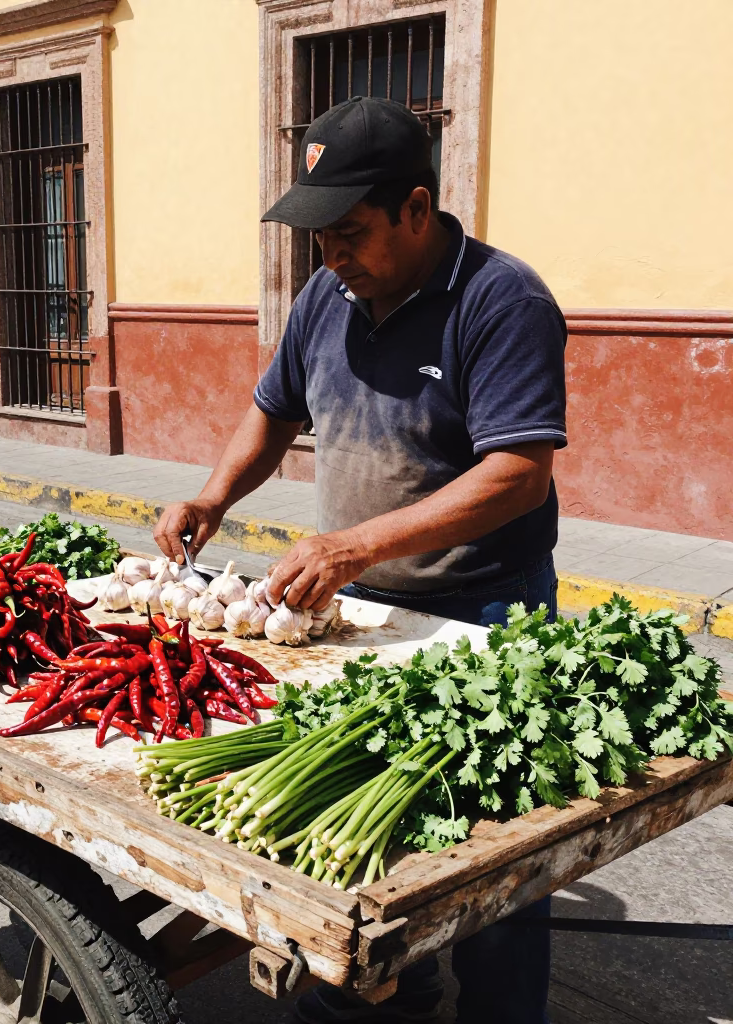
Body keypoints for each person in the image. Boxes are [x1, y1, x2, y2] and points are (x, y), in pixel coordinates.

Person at [153, 96, 565, 1024]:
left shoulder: (503, 301)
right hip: (358, 610)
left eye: (350, 232)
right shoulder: (324, 297)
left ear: (417, 210)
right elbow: (273, 411)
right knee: (378, 849)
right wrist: (215, 495)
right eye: (319, 237)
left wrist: (355, 541)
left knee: (497, 867)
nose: (330, 255)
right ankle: (385, 1001)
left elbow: (517, 475)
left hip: (486, 612)